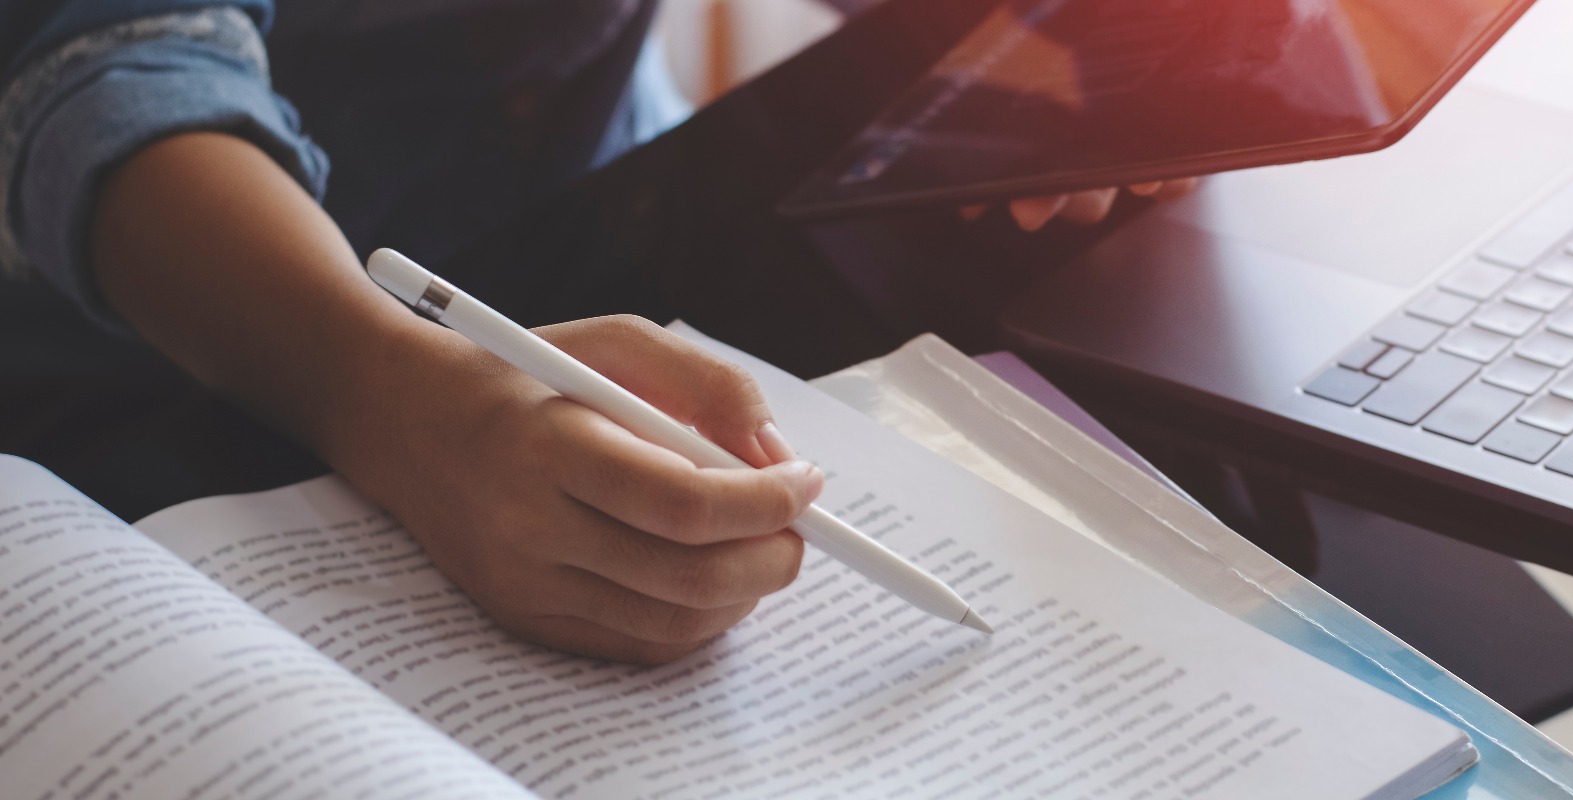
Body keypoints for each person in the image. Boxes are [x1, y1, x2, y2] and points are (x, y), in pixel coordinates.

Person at [0, 0, 1192, 664]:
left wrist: (1036, 41)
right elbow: (103, 69)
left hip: (614, 218)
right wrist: (387, 393)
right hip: (151, 349)